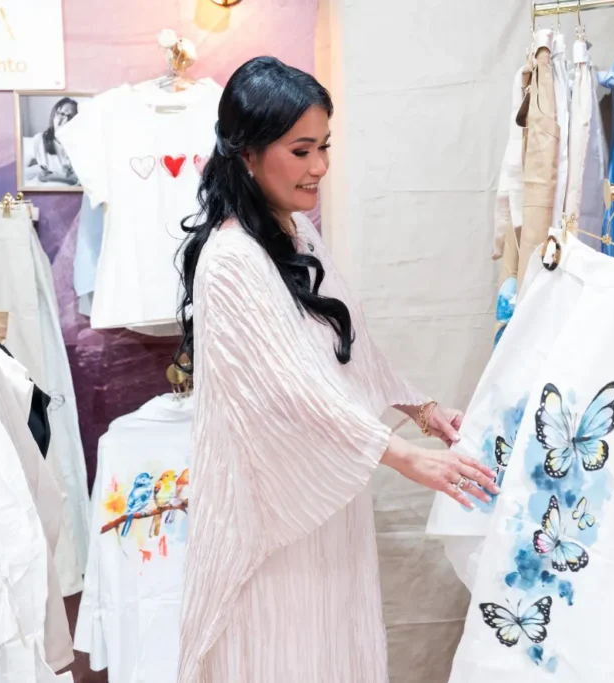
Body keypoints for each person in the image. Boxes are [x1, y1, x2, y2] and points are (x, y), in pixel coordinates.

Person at [174, 56, 498, 682]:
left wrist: (421, 410)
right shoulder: (231, 260)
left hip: (322, 502)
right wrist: (402, 457)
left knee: (327, 647)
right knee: (277, 653)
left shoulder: (295, 234)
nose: (320, 166)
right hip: (271, 515)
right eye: (301, 151)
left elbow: (348, 342)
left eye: (324, 146)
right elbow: (292, 391)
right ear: (247, 154)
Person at [23, 97, 78, 186]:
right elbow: (22, 175)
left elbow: (80, 179)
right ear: (54, 116)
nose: (66, 120)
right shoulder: (39, 140)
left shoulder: (81, 144)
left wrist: (50, 176)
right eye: (62, 114)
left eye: (71, 117)